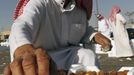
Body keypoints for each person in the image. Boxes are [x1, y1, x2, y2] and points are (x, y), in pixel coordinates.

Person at [3, 0, 111, 74]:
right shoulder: (40, 3)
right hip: (41, 58)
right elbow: (22, 25)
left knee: (87, 55)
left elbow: (83, 29)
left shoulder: (80, 11)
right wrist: (23, 49)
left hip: (68, 55)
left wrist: (94, 35)